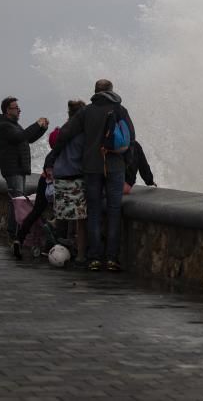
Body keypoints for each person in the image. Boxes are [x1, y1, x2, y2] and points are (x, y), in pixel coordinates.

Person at [51, 79, 134, 272]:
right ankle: (112, 259)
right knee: (114, 211)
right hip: (115, 167)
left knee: (94, 212)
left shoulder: (86, 112)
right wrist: (126, 164)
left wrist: (53, 158)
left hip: (92, 168)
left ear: (95, 92)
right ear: (111, 91)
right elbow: (131, 137)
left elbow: (64, 134)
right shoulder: (120, 110)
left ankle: (94, 257)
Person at [27, 99, 88, 264]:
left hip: (60, 179)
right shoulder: (83, 134)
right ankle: (80, 255)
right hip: (75, 178)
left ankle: (54, 246)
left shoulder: (61, 132)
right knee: (80, 220)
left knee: (62, 216)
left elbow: (54, 148)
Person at [0, 97, 49, 240]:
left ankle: (15, 232)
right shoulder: (4, 126)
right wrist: (37, 124)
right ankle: (13, 233)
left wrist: (42, 128)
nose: (19, 110)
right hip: (13, 169)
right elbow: (21, 137)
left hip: (18, 168)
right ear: (7, 110)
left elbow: (28, 138)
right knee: (17, 202)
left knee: (17, 201)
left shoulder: (13, 125)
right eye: (16, 107)